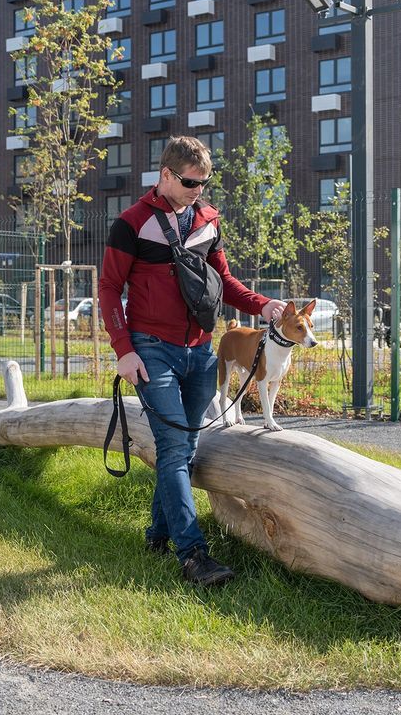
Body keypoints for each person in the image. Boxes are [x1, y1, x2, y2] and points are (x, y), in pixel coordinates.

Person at [98, 136, 286, 587]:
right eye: (190, 182)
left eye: (204, 182)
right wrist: (124, 350)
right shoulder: (131, 223)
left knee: (186, 449)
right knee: (175, 447)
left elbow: (222, 278)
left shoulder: (207, 219)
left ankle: (157, 534)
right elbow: (108, 289)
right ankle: (193, 554)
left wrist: (262, 306)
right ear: (165, 175)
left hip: (200, 350)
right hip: (150, 350)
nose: (197, 190)